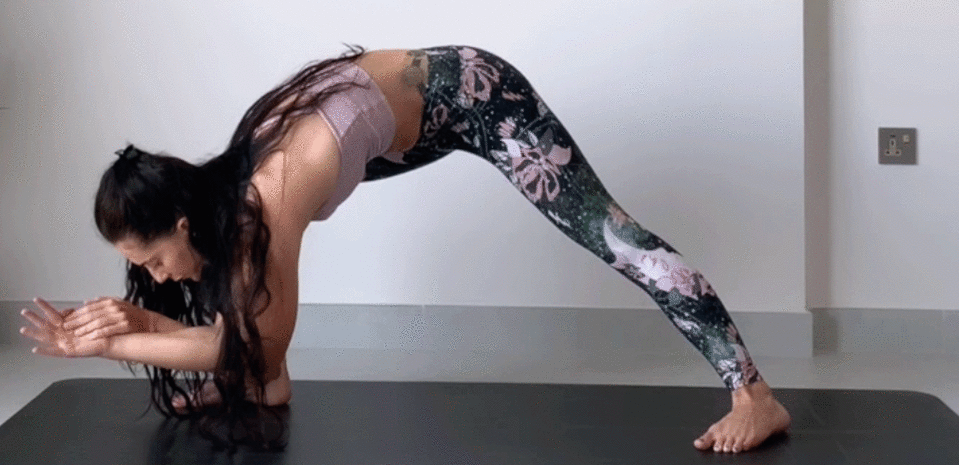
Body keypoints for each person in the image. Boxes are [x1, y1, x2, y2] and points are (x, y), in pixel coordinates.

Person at [19, 45, 791, 453]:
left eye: (152, 260)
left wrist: (134, 334)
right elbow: (256, 353)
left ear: (182, 223)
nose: (154, 276)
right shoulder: (226, 193)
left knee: (616, 240)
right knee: (252, 338)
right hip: (402, 120)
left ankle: (753, 393)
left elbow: (255, 353)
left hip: (479, 98)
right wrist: (159, 331)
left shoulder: (268, 200)